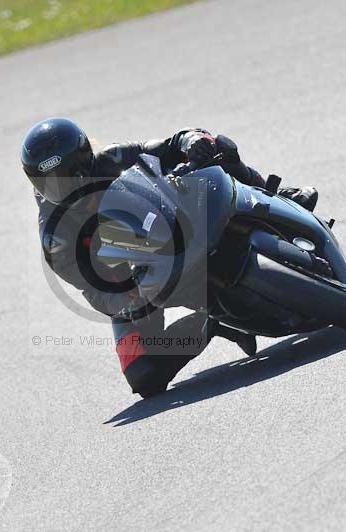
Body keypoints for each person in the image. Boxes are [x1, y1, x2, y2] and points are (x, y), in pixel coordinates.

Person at [21, 117, 318, 397]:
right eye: (50, 183)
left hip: (174, 227)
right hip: (138, 283)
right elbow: (97, 294)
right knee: (142, 374)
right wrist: (132, 298)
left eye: (69, 175)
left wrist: (194, 142)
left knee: (221, 149)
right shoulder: (56, 239)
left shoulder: (111, 159)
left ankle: (277, 194)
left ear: (86, 158)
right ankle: (210, 323)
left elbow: (170, 143)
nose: (64, 188)